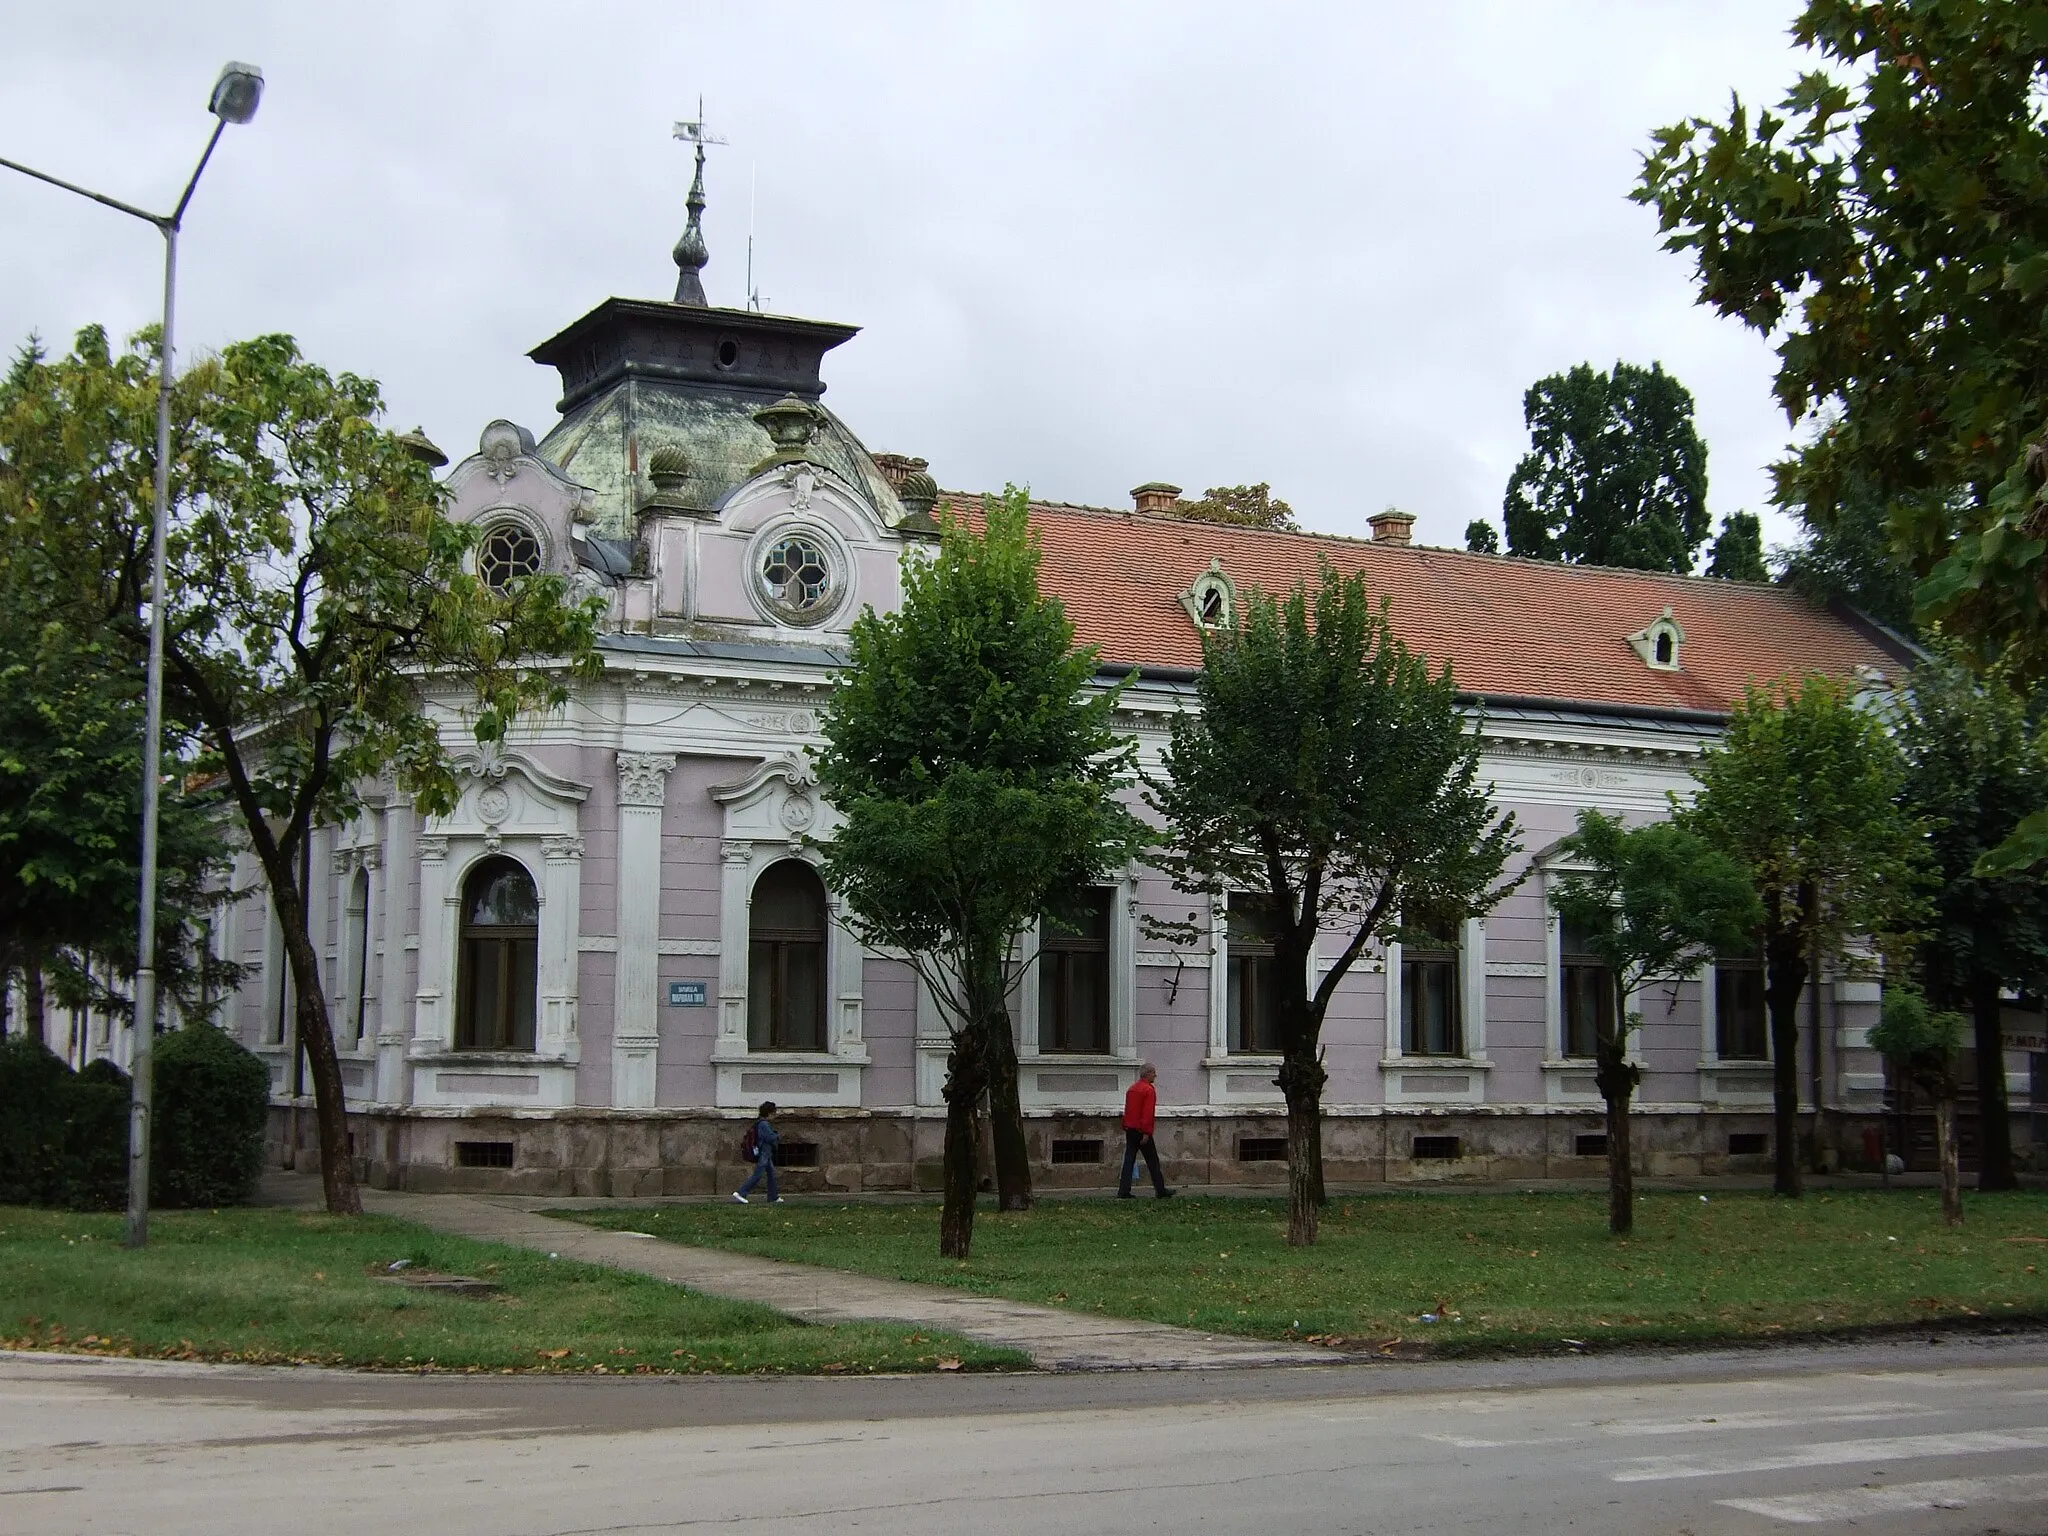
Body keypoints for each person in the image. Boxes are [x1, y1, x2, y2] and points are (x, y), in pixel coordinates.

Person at [1117, 1064, 1174, 1199]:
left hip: (1130, 1128)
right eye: (1153, 1073)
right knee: (1153, 1161)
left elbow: (1128, 1109)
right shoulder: (1148, 1090)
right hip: (1141, 1130)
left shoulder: (1132, 1089)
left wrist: (1125, 1125)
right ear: (1147, 1073)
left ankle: (1123, 1190)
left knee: (1129, 1160)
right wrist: (1146, 1132)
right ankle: (1160, 1190)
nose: (1155, 1075)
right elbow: (1148, 1113)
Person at [733, 1100, 782, 1204]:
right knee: (758, 1174)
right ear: (769, 1113)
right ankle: (741, 1192)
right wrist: (777, 1136)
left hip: (767, 1153)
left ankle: (773, 1197)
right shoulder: (764, 1124)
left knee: (772, 1174)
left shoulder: (761, 1123)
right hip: (764, 1152)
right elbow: (769, 1137)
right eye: (774, 1113)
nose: (775, 1115)